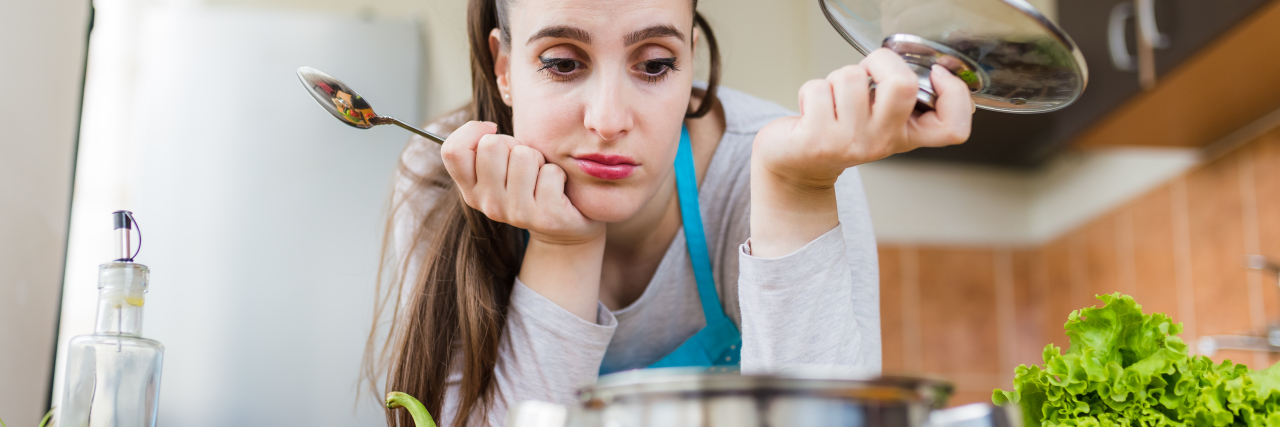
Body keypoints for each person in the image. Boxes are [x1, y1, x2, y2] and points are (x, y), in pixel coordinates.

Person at [363, 0, 973, 425]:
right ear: (504, 67)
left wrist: (798, 194)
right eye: (563, 62)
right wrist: (563, 248)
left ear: (690, 63)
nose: (607, 119)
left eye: (654, 64)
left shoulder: (786, 167)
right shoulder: (438, 176)